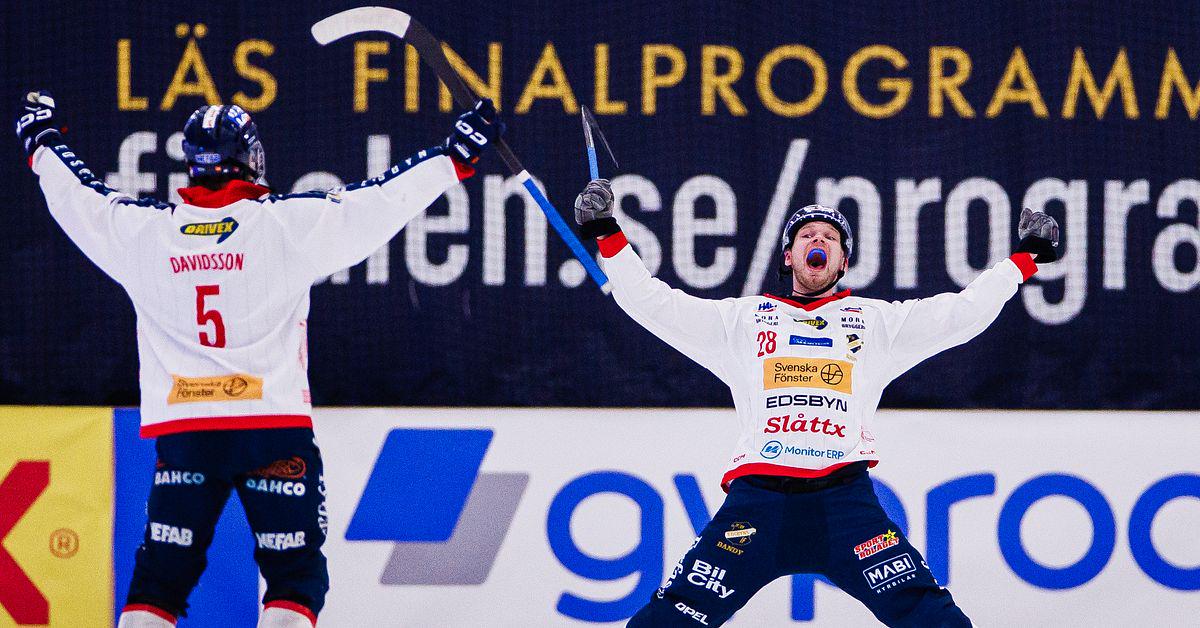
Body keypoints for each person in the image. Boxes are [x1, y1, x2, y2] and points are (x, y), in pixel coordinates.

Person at [16, 90, 502, 628]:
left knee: (158, 584)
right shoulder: (287, 225)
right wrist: (453, 156)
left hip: (185, 433)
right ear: (251, 158)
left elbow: (78, 197)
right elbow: (380, 199)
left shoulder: (144, 233)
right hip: (272, 429)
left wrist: (42, 142)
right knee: (295, 581)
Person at [574, 179, 1060, 627]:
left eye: (831, 238)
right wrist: (607, 233)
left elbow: (961, 314)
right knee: (671, 618)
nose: (818, 241)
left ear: (842, 262)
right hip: (758, 506)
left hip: (845, 505)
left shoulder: (875, 322)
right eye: (807, 235)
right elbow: (653, 304)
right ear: (789, 255)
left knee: (932, 617)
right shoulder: (741, 321)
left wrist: (1023, 260)